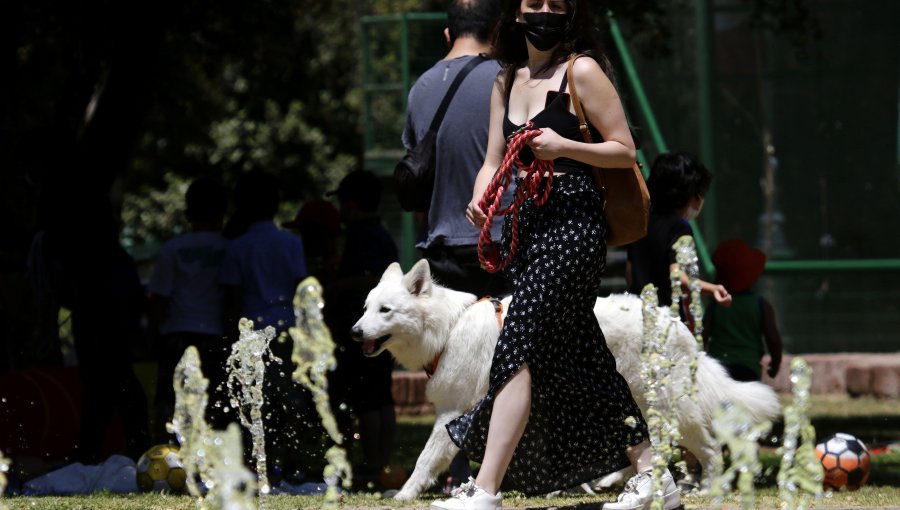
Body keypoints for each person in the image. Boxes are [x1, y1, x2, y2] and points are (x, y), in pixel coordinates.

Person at [442, 1, 681, 509]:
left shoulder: (583, 71)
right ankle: (653, 476)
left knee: (516, 344)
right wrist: (483, 197)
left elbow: (624, 149)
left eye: (556, 4)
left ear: (570, 13)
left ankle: (484, 491)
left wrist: (565, 148)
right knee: (585, 358)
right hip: (529, 231)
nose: (545, 12)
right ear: (518, 12)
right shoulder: (505, 82)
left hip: (575, 228)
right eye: (535, 3)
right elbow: (491, 160)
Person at [402, 0, 511, 299]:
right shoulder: (509, 79)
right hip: (501, 243)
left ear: (448, 34)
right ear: (496, 30)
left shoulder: (420, 88)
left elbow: (418, 178)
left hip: (440, 250)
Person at [217, 170, 311, 481]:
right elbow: (301, 289)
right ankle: (294, 463)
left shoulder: (237, 247)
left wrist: (228, 335)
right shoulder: (290, 243)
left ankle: (257, 466)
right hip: (286, 330)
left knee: (254, 401)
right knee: (290, 400)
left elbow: (232, 296)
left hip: (252, 332)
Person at [322, 170, 399, 489]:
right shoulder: (380, 233)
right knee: (381, 397)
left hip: (362, 330)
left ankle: (372, 466)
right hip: (380, 330)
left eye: (342, 202)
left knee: (367, 399)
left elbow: (371, 278)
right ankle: (382, 461)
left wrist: (338, 283)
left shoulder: (361, 235)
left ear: (351, 203)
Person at [147, 178, 229, 439]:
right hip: (214, 334)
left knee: (171, 402)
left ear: (187, 213)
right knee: (214, 402)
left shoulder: (173, 248)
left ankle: (167, 454)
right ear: (222, 213)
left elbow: (160, 296)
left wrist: (153, 332)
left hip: (177, 333)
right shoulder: (230, 248)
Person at [626, 151, 732, 316]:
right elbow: (677, 277)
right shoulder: (680, 227)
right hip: (664, 319)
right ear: (691, 194)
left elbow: (630, 273)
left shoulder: (642, 222)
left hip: (637, 315)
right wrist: (713, 289)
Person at [704, 239, 783, 382]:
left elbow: (702, 336)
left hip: (719, 371)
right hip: (748, 370)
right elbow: (773, 339)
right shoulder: (760, 305)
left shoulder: (715, 305)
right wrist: (775, 363)